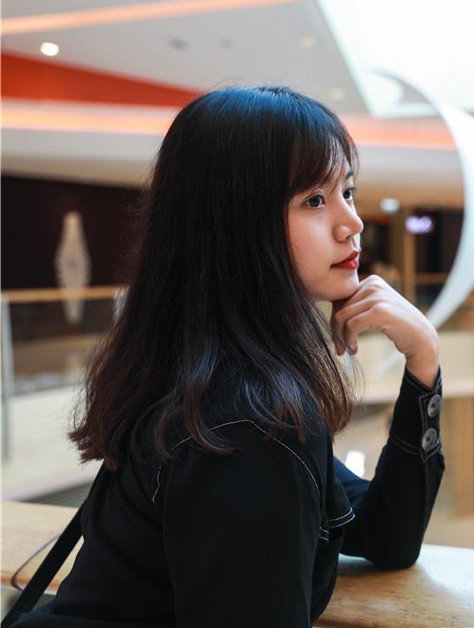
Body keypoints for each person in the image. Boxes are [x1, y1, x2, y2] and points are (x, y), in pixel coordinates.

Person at [10, 87, 444, 627]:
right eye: (314, 200)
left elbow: (383, 534)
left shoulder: (204, 375)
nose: (351, 222)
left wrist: (423, 361)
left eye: (348, 192)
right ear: (240, 224)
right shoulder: (248, 426)